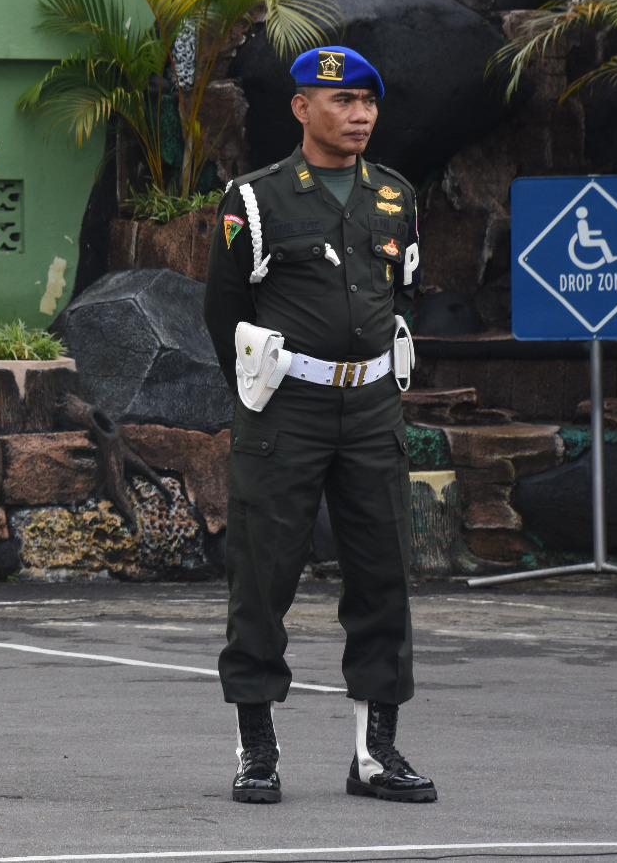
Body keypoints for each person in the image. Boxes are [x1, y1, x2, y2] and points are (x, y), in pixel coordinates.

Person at [202, 45, 436, 806]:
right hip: (286, 412)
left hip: (372, 410)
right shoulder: (258, 199)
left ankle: (376, 756)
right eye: (342, 101)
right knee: (262, 579)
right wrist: (262, 386)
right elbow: (224, 309)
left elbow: (403, 298)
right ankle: (256, 751)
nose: (360, 114)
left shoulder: (395, 196)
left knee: (383, 578)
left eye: (369, 101)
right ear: (303, 108)